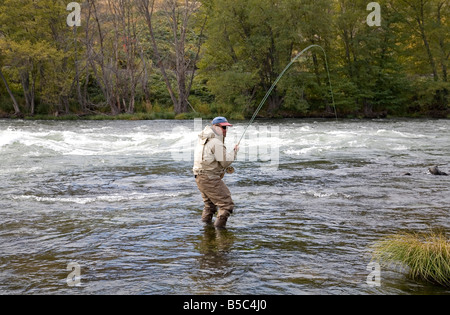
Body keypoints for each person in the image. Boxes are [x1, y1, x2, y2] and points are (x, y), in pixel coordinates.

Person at [193, 117, 239, 229]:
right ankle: (220, 233)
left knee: (210, 206)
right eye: (223, 127)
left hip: (199, 177)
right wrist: (234, 152)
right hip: (209, 178)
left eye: (226, 127)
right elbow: (224, 162)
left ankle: (206, 231)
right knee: (227, 205)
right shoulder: (216, 142)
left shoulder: (203, 139)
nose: (225, 130)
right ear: (215, 127)